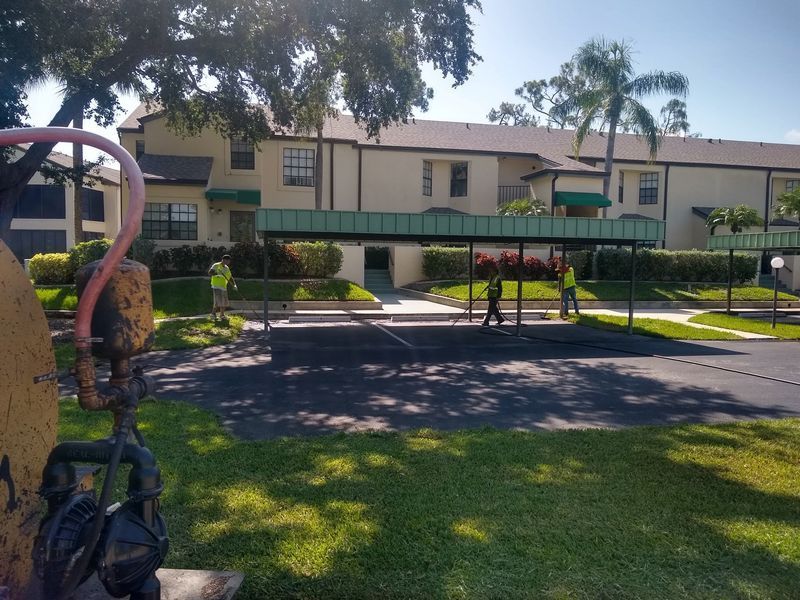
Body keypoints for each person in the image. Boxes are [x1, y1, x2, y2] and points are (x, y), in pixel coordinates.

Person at [208, 254, 237, 321]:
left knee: (224, 301)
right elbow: (210, 272)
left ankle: (221, 315)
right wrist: (217, 273)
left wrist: (234, 285)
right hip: (216, 286)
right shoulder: (216, 265)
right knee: (218, 301)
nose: (228, 262)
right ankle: (213, 314)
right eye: (227, 260)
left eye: (229, 261)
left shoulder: (226, 268)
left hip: (223, 286)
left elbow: (230, 277)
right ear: (223, 260)